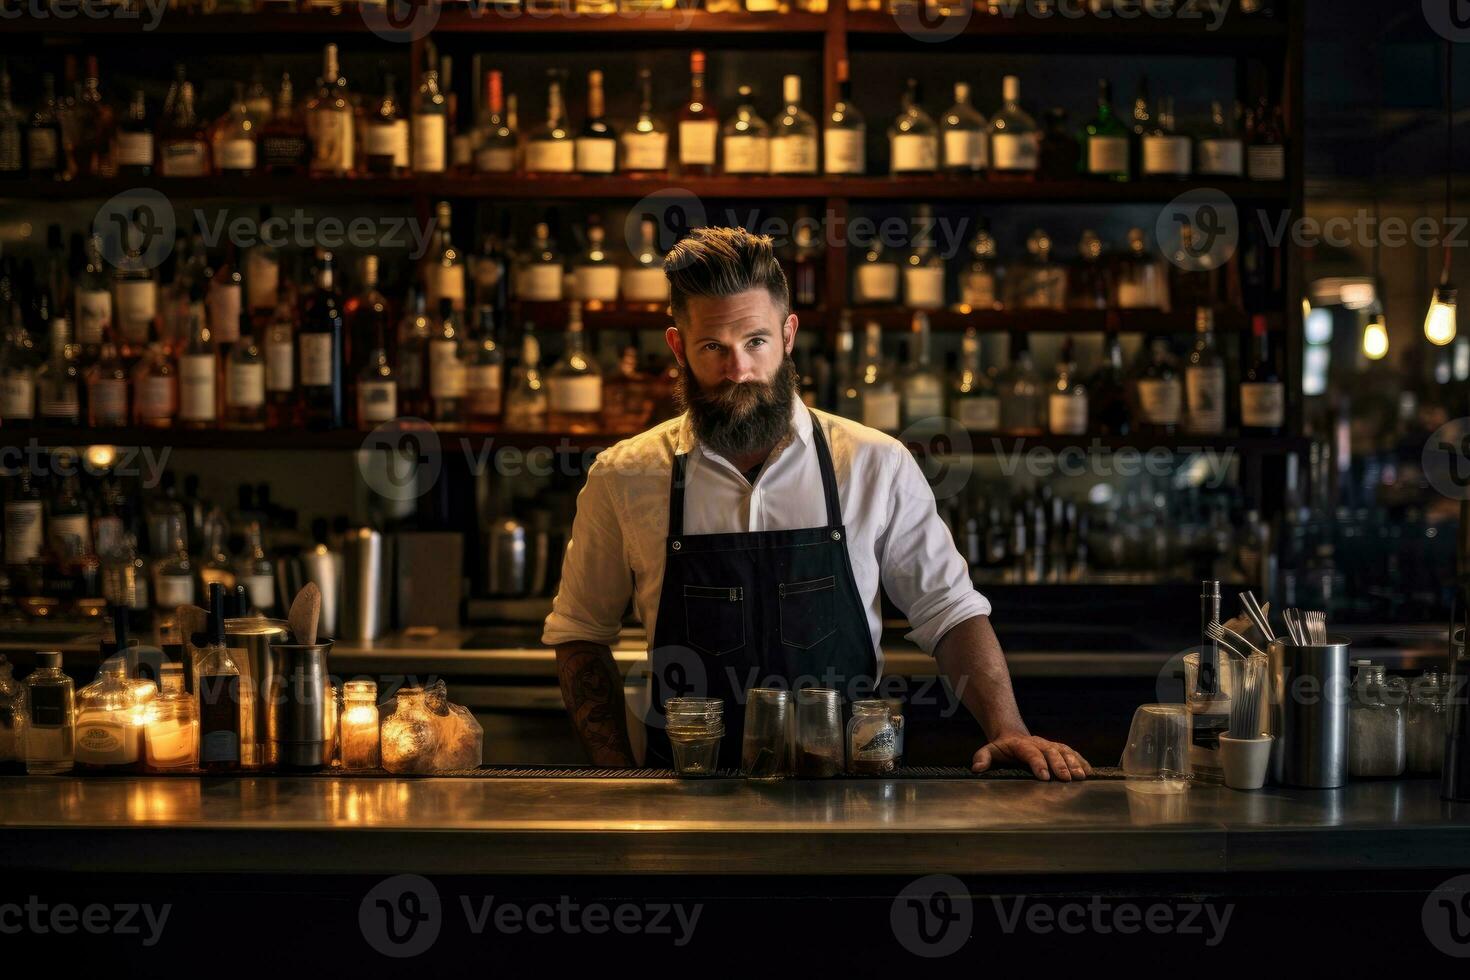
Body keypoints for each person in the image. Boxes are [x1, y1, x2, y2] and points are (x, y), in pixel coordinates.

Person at [544, 226, 1091, 780]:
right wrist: (613, 778)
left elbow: (949, 612)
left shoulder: (875, 464)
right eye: (714, 348)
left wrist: (1008, 730)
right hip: (681, 801)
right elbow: (580, 633)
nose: (739, 371)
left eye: (755, 341)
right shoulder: (626, 475)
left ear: (788, 334)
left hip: (847, 798)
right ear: (679, 347)